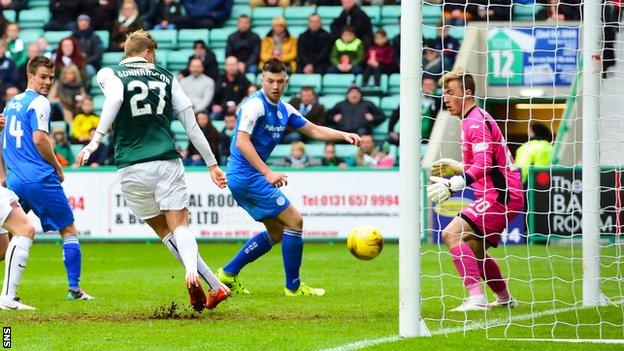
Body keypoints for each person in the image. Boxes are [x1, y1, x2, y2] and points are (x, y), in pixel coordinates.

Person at [76, 30, 230, 312]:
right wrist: (212, 164)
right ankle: (195, 276)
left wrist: (94, 141)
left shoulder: (108, 73)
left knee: (164, 230)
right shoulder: (168, 77)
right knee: (180, 224)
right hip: (165, 161)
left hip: (131, 165)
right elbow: (192, 126)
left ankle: (216, 287)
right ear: (147, 52)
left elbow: (114, 100)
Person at [215, 58, 361, 296]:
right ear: (262, 80)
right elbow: (242, 141)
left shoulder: (284, 109)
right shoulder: (255, 106)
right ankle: (293, 287)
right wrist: (267, 172)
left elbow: (313, 129)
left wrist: (343, 135)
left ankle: (227, 274)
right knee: (295, 221)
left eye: (280, 81)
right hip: (248, 176)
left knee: (277, 232)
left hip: (245, 176)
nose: (275, 86)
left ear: (286, 82)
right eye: (270, 81)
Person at [427, 70, 524, 311]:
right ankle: (504, 298)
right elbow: (486, 163)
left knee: (451, 234)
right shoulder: (472, 119)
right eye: (443, 94)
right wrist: (459, 166)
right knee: (474, 250)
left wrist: (455, 183)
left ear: (467, 94)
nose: (445, 99)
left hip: (501, 195)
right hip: (500, 194)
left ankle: (477, 298)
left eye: (451, 93)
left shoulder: (475, 122)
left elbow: (485, 165)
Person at [0, 56, 94, 301]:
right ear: (30, 76)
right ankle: (74, 289)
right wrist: (58, 166)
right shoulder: (40, 103)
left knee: (10, 238)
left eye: (50, 78)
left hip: (14, 179)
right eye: (42, 77)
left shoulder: (11, 103)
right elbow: (40, 139)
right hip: (39, 178)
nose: (47, 82)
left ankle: (10, 293)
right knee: (69, 229)